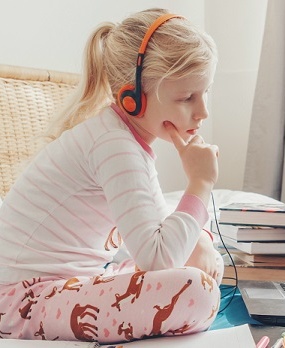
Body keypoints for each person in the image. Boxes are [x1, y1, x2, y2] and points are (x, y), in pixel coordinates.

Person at [0, 8, 223, 343]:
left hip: (58, 286)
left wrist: (202, 238)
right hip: (20, 299)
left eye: (204, 92)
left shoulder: (126, 140)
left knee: (195, 270)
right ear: (132, 98)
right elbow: (158, 257)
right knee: (197, 292)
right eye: (186, 97)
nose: (203, 111)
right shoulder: (113, 145)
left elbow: (158, 227)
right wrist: (200, 184)